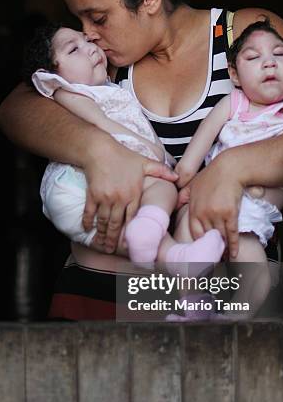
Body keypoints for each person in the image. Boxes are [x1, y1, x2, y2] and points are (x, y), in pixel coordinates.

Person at [0, 0, 283, 321]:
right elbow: (12, 111)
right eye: (81, 22)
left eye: (99, 17)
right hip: (103, 290)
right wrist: (97, 150)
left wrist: (233, 167)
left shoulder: (242, 36)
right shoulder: (103, 65)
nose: (89, 35)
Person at [23, 23, 225, 272]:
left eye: (88, 41)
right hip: (78, 183)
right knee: (160, 188)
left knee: (130, 236)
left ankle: (173, 258)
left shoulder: (110, 90)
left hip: (86, 192)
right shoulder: (69, 92)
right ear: (50, 75)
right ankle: (169, 253)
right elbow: (103, 124)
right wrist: (154, 153)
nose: (90, 49)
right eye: (74, 49)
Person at [170, 18, 283, 320]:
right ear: (235, 75)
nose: (269, 64)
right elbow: (199, 145)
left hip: (252, 205)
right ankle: (194, 305)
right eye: (254, 57)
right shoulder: (233, 103)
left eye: (279, 55)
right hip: (209, 197)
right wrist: (180, 180)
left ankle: (239, 315)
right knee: (185, 233)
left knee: (247, 255)